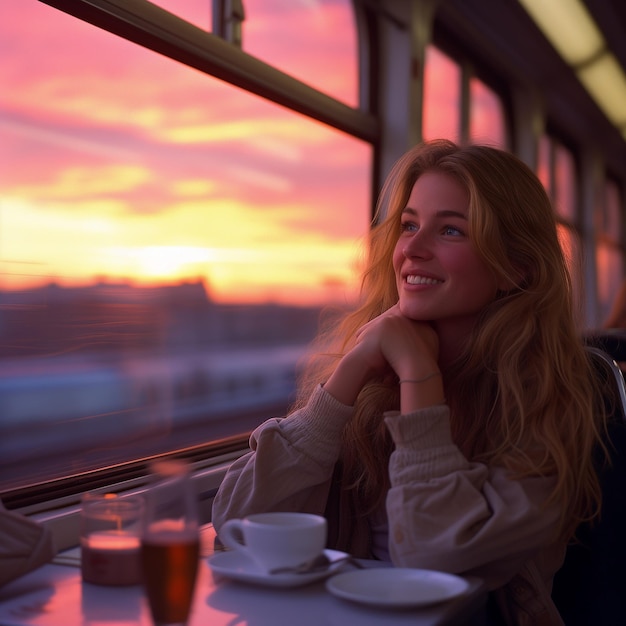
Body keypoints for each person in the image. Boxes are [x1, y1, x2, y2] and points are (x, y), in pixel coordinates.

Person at [212, 140, 608, 625]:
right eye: (409, 225)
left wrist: (420, 378)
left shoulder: (547, 401)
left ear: (516, 266)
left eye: (450, 230)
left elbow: (433, 560)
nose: (413, 251)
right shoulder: (370, 375)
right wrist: (350, 370)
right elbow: (236, 528)